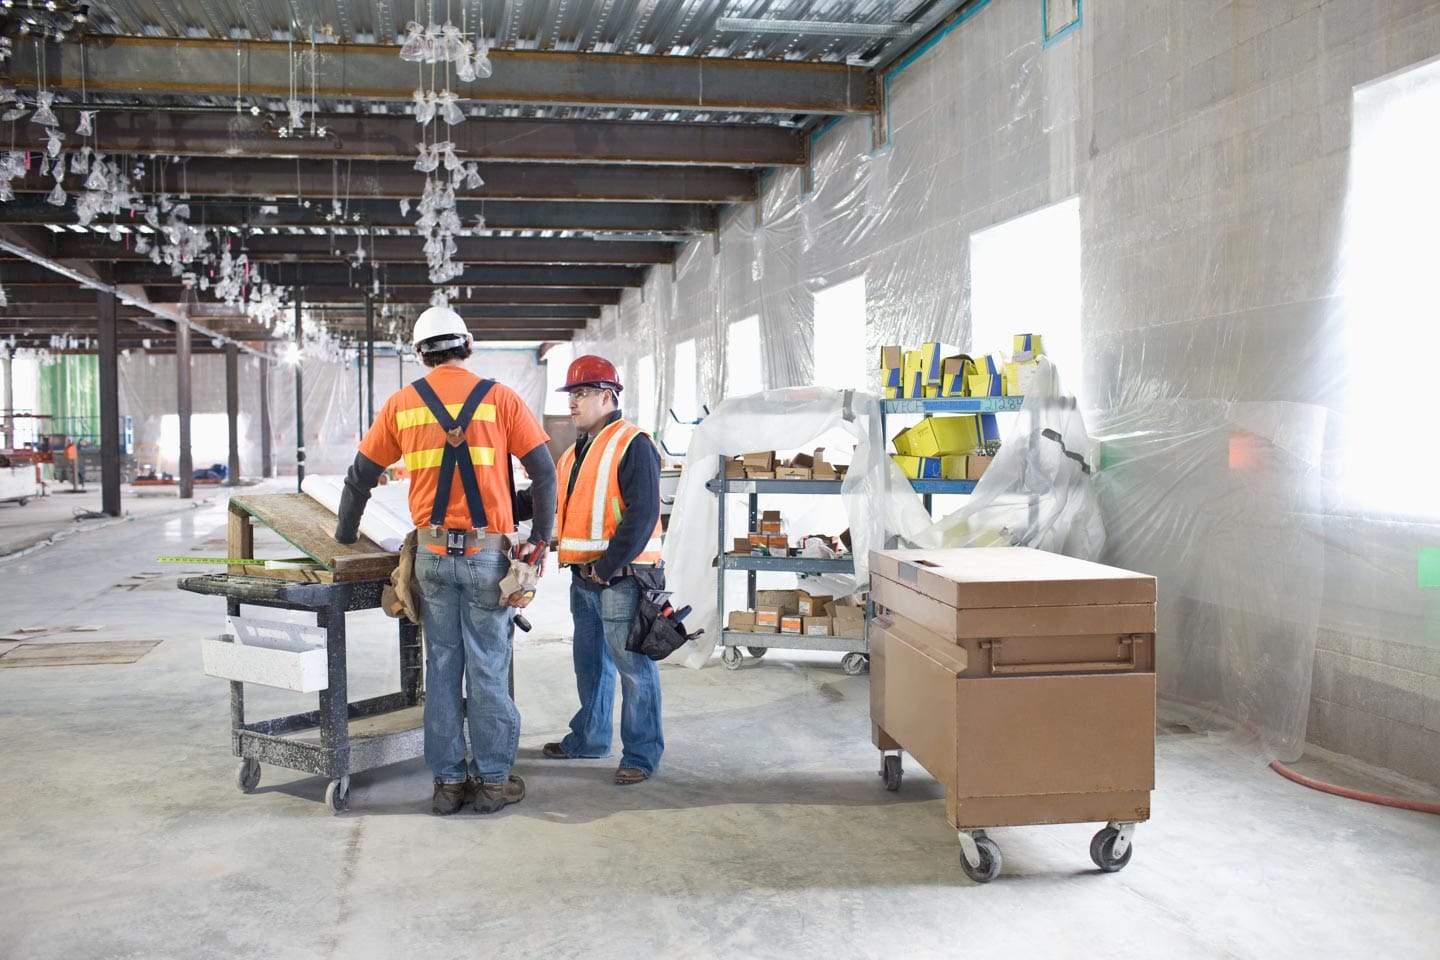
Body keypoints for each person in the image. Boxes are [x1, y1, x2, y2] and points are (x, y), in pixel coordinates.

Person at [333, 305, 556, 816]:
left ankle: (449, 784)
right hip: (486, 557)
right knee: (488, 667)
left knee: (442, 667)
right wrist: (539, 542)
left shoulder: (401, 406)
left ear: (420, 354)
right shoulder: (500, 399)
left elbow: (359, 477)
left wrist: (344, 536)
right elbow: (544, 474)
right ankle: (494, 781)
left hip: (429, 558)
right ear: (468, 347)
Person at [542, 355, 665, 785]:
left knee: (633, 668)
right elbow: (552, 502)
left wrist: (607, 567)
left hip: (621, 579)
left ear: (607, 396)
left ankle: (641, 754)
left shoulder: (633, 443)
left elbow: (644, 513)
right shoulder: (576, 452)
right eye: (571, 394)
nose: (572, 403)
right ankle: (590, 738)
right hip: (584, 577)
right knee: (590, 665)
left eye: (581, 394)